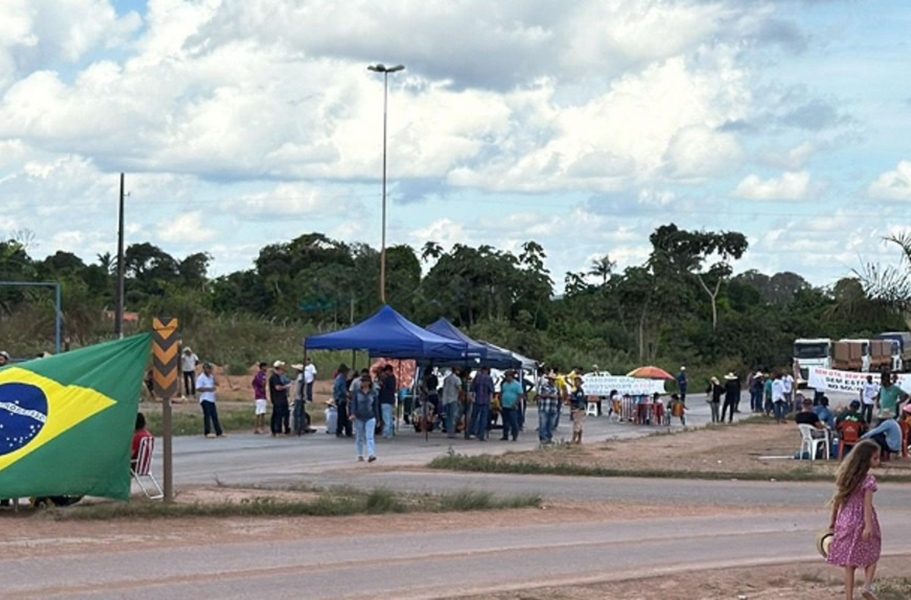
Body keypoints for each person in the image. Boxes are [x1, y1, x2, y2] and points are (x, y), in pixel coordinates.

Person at [826, 439, 882, 600]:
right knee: (873, 553)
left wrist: (833, 520)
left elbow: (837, 500)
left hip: (844, 520)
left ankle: (848, 597)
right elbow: (867, 505)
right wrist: (868, 526)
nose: (878, 461)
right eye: (875, 458)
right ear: (866, 460)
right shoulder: (868, 480)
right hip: (862, 520)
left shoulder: (846, 477)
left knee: (849, 563)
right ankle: (867, 586)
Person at [350, 373, 377, 462]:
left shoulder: (373, 393)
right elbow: (354, 404)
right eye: (362, 381)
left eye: (365, 381)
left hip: (370, 416)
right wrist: (352, 414)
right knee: (359, 436)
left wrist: (378, 418)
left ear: (369, 382)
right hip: (359, 417)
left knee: (370, 436)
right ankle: (359, 454)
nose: (363, 383)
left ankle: (371, 454)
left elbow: (376, 406)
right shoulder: (357, 393)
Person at [196, 362, 223, 438]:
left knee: (214, 415)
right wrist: (208, 389)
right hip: (205, 398)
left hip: (211, 399)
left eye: (210, 369)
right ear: (204, 369)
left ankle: (219, 432)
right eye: (208, 368)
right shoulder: (201, 378)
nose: (209, 370)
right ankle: (207, 432)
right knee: (207, 415)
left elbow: (217, 383)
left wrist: (214, 376)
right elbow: (198, 388)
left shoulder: (211, 376)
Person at [469, 366, 494, 441]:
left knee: (474, 417)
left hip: (477, 400)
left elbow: (472, 389)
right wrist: (491, 401)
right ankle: (481, 434)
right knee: (483, 418)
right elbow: (491, 391)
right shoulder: (489, 378)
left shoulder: (477, 377)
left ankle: (471, 432)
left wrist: (472, 397)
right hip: (485, 400)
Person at [269, 361, 292, 436]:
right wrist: (286, 386)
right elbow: (277, 387)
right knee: (278, 415)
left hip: (281, 399)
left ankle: (283, 429)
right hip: (278, 399)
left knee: (284, 414)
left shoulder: (278, 377)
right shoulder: (274, 377)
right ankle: (277, 430)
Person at [499, 370, 523, 442]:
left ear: (511, 376)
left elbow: (520, 395)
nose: (507, 378)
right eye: (506, 376)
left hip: (512, 406)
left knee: (513, 421)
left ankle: (514, 435)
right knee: (505, 421)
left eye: (508, 376)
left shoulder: (517, 385)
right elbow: (502, 392)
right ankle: (505, 435)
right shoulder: (504, 384)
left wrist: (515, 403)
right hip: (505, 405)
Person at [536, 373, 560, 444]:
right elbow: (539, 395)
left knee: (551, 425)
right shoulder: (543, 386)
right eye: (551, 379)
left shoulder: (556, 387)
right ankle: (543, 438)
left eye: (553, 380)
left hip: (553, 408)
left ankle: (549, 438)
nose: (552, 381)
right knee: (543, 424)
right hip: (544, 408)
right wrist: (549, 395)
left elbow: (558, 395)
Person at [292, 363, 314, 435]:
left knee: (298, 413)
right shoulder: (303, 377)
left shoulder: (300, 378)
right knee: (301, 413)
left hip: (299, 398)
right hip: (301, 397)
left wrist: (299, 396)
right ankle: (301, 427)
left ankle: (298, 428)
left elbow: (299, 389)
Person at [441, 367, 461, 438]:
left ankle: (448, 431)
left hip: (446, 399)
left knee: (448, 416)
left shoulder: (446, 379)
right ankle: (451, 432)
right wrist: (459, 398)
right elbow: (459, 389)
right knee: (452, 416)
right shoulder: (457, 379)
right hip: (453, 399)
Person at [333, 364, 353, 437]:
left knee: (342, 415)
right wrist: (347, 394)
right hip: (341, 399)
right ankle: (341, 430)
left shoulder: (339, 378)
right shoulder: (341, 378)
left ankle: (343, 430)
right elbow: (342, 390)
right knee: (342, 415)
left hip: (339, 399)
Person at [378, 364, 397, 439]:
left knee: (386, 417)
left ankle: (386, 432)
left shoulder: (387, 379)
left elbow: (381, 386)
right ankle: (390, 431)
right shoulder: (393, 379)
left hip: (385, 400)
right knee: (389, 416)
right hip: (390, 400)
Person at [251, 362, 268, 434]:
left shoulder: (259, 375)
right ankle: (261, 428)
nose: (266, 368)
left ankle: (256, 428)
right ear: (262, 367)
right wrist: (260, 389)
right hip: (260, 395)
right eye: (265, 367)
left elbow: (253, 383)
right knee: (262, 412)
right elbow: (262, 384)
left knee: (258, 411)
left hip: (259, 394)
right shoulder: (261, 375)